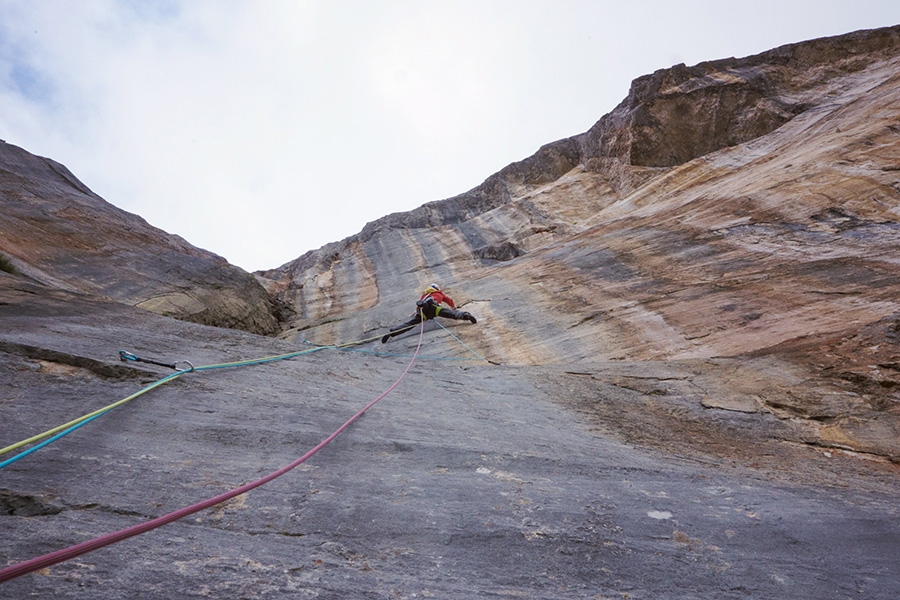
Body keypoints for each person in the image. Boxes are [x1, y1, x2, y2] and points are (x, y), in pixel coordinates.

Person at [382, 283, 477, 343]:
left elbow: (417, 308)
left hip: (423, 312)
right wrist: (453, 307)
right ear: (437, 288)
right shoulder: (439, 294)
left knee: (410, 324)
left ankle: (392, 333)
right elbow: (449, 300)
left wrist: (416, 311)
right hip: (435, 308)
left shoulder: (424, 295)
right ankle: (466, 316)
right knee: (450, 314)